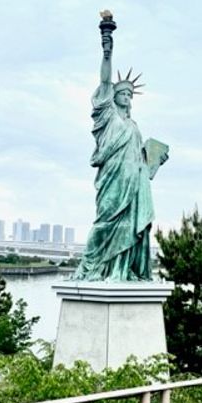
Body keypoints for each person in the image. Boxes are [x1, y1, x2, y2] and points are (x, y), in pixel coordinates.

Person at [73, 18, 159, 281]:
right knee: (105, 222)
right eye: (123, 92)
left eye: (130, 95)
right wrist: (107, 51)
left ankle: (122, 269)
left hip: (133, 182)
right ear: (113, 96)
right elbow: (105, 79)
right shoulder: (108, 115)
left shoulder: (134, 125)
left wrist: (152, 159)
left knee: (128, 225)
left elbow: (140, 158)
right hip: (113, 179)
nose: (127, 96)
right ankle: (93, 266)